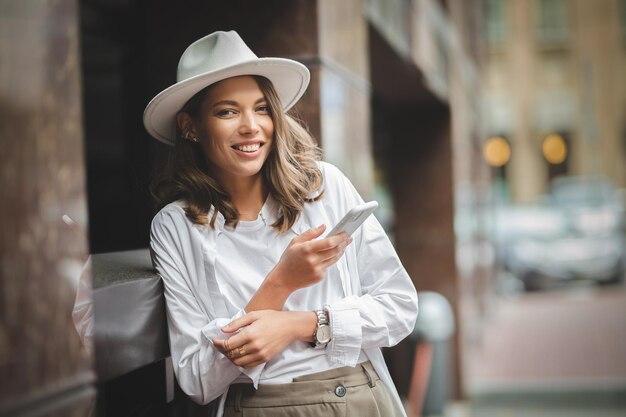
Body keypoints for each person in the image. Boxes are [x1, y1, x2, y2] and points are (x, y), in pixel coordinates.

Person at [145, 31, 418, 417]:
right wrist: (281, 282)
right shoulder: (175, 227)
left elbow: (400, 308)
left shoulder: (324, 188)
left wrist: (300, 325)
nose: (250, 126)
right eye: (227, 111)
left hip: (356, 397)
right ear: (190, 126)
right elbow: (197, 379)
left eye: (261, 108)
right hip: (256, 406)